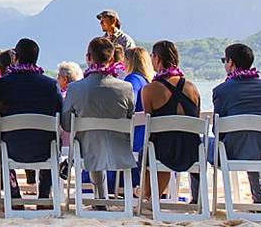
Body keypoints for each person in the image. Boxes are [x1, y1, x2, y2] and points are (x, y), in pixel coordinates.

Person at [61, 37, 136, 199]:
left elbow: (67, 125)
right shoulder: (126, 88)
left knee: (92, 139)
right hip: (119, 148)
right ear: (112, 58)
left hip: (86, 150)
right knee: (99, 138)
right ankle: (102, 197)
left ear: (88, 58)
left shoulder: (74, 88)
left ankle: (101, 197)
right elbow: (130, 118)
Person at [211, 43, 261, 205]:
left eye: (224, 60)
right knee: (254, 139)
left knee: (201, 145)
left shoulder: (221, 90)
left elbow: (217, 130)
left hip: (230, 152)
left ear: (231, 62)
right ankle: (258, 200)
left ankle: (198, 200)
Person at [0, 38, 62, 199]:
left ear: (15, 57)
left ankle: (14, 195)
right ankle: (44, 195)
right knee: (54, 142)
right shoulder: (50, 85)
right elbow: (60, 115)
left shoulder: (1, 85)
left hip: (10, 148)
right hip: (44, 149)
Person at [139, 40, 201, 200]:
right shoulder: (192, 88)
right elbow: (196, 119)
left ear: (158, 59)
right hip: (192, 152)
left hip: (162, 153)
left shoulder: (149, 90)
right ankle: (155, 194)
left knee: (148, 148)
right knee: (169, 141)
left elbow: (149, 125)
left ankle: (149, 195)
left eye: (152, 56)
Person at [124, 46, 154, 157]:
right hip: (146, 136)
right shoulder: (148, 81)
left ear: (130, 62)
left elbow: (130, 103)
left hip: (135, 138)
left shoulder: (133, 79)